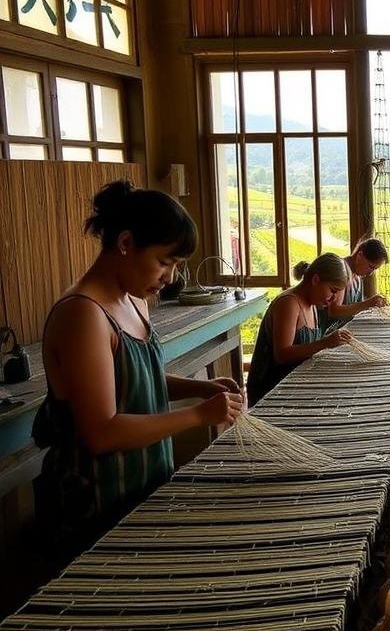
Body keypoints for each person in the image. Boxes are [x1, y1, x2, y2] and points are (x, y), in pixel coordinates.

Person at [33, 180, 244, 554]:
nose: (170, 278)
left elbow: (134, 379)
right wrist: (198, 414)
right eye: (165, 262)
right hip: (97, 505)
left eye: (175, 265)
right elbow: (102, 431)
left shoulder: (132, 301)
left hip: (140, 489)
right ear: (126, 243)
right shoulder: (83, 314)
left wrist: (199, 388)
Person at [245, 254, 354, 407]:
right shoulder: (289, 303)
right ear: (316, 280)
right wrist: (325, 343)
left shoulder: (313, 305)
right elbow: (282, 355)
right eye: (333, 290)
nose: (334, 298)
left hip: (293, 385)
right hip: (271, 392)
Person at [318, 237, 390, 333]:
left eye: (374, 269)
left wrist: (374, 304)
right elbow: (333, 311)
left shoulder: (357, 277)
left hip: (343, 331)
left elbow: (355, 308)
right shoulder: (341, 272)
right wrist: (367, 303)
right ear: (360, 255)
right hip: (325, 333)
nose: (370, 273)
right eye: (370, 266)